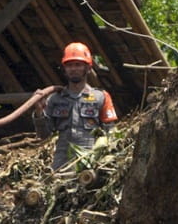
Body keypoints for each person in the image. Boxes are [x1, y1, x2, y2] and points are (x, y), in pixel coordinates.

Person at [35, 42, 119, 170]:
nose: (73, 69)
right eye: (69, 65)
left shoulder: (101, 97)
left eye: (78, 65)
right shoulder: (55, 99)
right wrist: (39, 112)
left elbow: (111, 133)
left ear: (88, 68)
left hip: (90, 161)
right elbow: (44, 135)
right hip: (61, 164)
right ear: (65, 69)